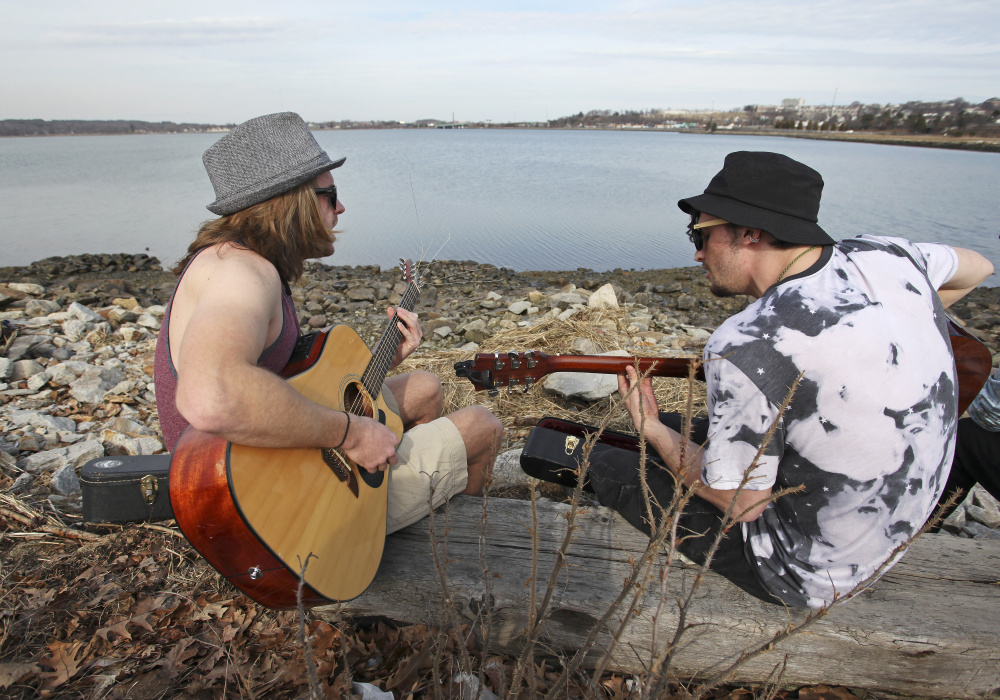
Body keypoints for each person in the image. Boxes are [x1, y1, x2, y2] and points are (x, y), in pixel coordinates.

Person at [525, 151, 994, 608]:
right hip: (895, 528)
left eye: (700, 233)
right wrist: (892, 332)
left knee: (614, 462)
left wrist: (653, 431)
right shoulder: (887, 254)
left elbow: (741, 504)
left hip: (813, 571)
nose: (694, 253)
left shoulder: (750, 342)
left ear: (750, 233)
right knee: (684, 424)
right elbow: (979, 266)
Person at [154, 111, 502, 535]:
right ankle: (459, 548)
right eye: (328, 193)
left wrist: (382, 361)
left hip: (266, 464)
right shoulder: (240, 276)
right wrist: (352, 434)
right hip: (267, 509)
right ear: (291, 201)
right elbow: (211, 396)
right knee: (483, 426)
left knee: (425, 388)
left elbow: (283, 384)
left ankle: (397, 515)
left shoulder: (233, 260)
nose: (340, 206)